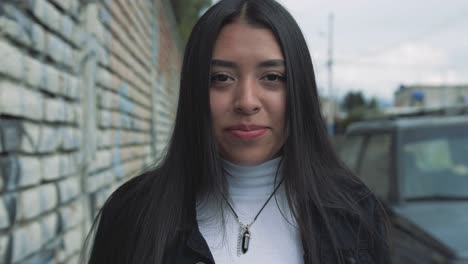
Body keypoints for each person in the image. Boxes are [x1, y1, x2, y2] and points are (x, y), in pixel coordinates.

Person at [85, 0, 391, 263]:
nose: (246, 102)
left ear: (300, 91)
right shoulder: (134, 215)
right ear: (194, 90)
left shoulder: (355, 213)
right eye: (221, 77)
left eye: (272, 77)